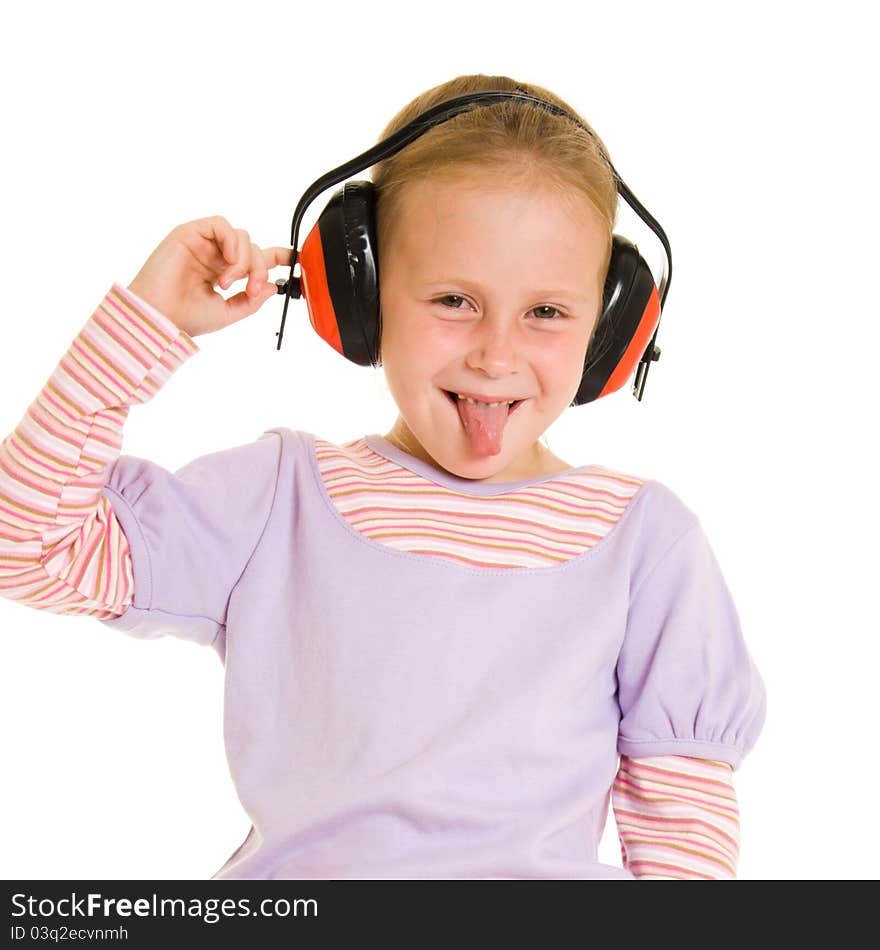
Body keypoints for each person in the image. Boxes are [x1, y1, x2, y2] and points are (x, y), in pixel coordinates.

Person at [0, 73, 766, 880]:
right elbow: (27, 543)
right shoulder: (280, 500)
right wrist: (148, 321)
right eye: (453, 301)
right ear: (354, 298)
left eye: (547, 312)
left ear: (612, 331)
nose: (496, 356)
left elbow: (684, 833)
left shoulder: (644, 542)